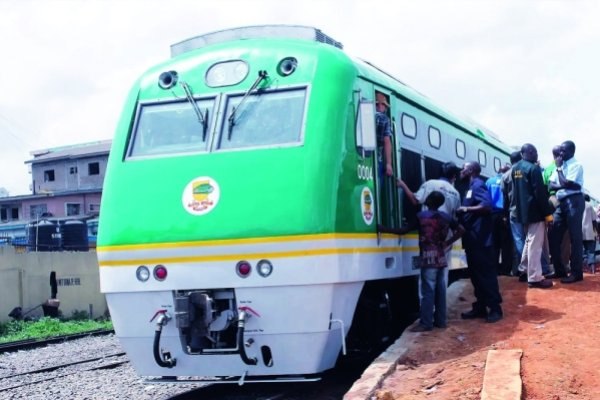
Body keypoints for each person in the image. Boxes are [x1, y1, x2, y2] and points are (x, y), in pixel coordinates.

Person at [410, 191, 464, 332]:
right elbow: (461, 230)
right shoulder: (446, 217)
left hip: (428, 258)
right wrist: (448, 242)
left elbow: (404, 229)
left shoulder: (421, 216)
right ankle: (440, 321)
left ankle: (426, 323)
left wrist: (384, 229)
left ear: (429, 201)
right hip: (441, 257)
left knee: (428, 291)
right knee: (440, 290)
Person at [457, 161, 503, 323]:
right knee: (476, 275)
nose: (460, 171)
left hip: (481, 240)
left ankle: (495, 308)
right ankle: (480, 306)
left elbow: (487, 206)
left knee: (485, 274)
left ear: (470, 170)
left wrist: (466, 209)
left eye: (463, 168)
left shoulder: (478, 185)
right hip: (472, 239)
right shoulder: (469, 188)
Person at [396, 161, 462, 274]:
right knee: (443, 272)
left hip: (429, 235)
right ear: (454, 177)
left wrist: (402, 184)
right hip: (445, 236)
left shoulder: (430, 184)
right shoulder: (456, 193)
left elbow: (414, 200)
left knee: (428, 274)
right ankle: (441, 291)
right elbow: (456, 215)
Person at [511, 144, 554, 289]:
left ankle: (523, 269)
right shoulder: (534, 168)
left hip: (523, 212)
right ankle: (535, 278)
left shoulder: (515, 169)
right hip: (536, 212)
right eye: (535, 151)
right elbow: (540, 194)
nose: (537, 154)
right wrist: (548, 214)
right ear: (528, 152)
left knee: (529, 242)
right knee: (535, 245)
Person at [549, 140, 585, 283]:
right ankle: (560, 270)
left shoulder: (576, 165)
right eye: (560, 151)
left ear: (571, 151)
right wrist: (569, 185)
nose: (560, 154)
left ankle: (577, 273)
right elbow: (551, 185)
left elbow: (565, 183)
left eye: (563, 151)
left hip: (574, 201)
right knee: (552, 235)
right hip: (562, 202)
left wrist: (559, 173)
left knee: (575, 237)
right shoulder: (562, 165)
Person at [486, 164, 513, 275]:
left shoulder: (489, 181)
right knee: (506, 244)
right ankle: (506, 271)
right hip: (504, 215)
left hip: (492, 215)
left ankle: (494, 269)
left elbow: (486, 198)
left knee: (494, 244)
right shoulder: (508, 181)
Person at [502, 151, 524, 276]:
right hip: (527, 211)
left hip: (513, 211)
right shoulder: (525, 170)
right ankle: (530, 266)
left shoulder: (505, 176)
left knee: (518, 240)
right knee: (529, 240)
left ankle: (520, 268)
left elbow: (504, 198)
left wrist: (505, 215)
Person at [375, 92, 393, 179]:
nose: (384, 108)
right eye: (384, 106)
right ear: (380, 105)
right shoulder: (384, 119)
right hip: (376, 160)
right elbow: (387, 140)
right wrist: (389, 164)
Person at [582, 194, 597, 274]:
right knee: (591, 251)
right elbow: (594, 220)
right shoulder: (590, 206)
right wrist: (597, 231)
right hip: (590, 231)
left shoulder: (578, 205)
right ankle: (592, 268)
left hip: (580, 232)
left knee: (581, 251)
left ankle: (583, 268)